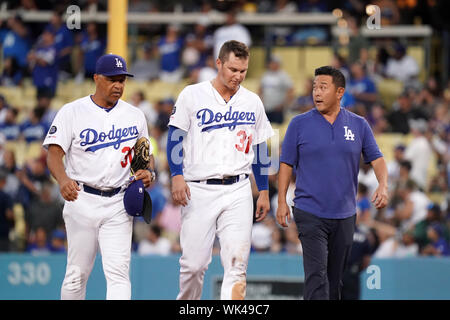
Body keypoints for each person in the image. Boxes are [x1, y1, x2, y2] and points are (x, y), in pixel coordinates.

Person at [167, 40, 274, 300]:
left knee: (237, 266)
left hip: (238, 189)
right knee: (193, 266)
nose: (238, 76)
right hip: (198, 188)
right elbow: (174, 136)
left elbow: (261, 148)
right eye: (233, 69)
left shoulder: (253, 101)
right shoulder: (192, 94)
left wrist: (263, 190)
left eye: (243, 71)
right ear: (218, 63)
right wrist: (176, 175)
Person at [43, 53, 155, 300]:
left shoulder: (135, 115)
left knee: (118, 274)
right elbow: (53, 155)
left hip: (118, 202)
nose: (118, 85)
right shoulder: (72, 111)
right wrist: (63, 180)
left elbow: (144, 155)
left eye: (122, 80)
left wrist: (148, 172)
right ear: (96, 78)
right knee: (76, 275)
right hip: (82, 199)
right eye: (112, 79)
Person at [276, 66, 388, 300]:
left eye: (323, 87)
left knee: (335, 279)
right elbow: (286, 163)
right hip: (309, 211)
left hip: (345, 213)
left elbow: (377, 158)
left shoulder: (359, 125)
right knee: (316, 277)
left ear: (340, 92)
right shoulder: (298, 124)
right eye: (315, 87)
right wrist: (282, 202)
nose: (316, 92)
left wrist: (383, 185)